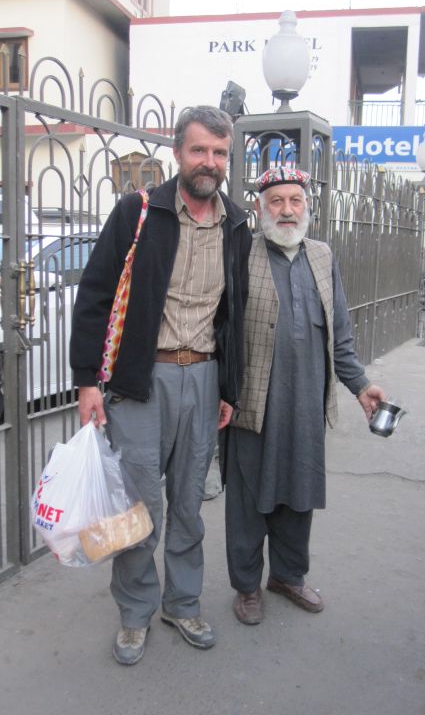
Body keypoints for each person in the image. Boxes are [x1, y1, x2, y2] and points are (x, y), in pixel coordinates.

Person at [70, 105, 251, 663]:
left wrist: (229, 388)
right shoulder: (140, 212)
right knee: (139, 508)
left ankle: (183, 601)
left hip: (203, 377)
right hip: (140, 383)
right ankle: (134, 612)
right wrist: (87, 381)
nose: (210, 162)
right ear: (177, 154)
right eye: (199, 150)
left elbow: (234, 312)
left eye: (219, 153)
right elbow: (96, 294)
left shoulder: (238, 224)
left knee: (191, 504)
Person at [223, 166, 386, 626]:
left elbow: (341, 333)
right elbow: (222, 330)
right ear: (260, 207)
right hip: (253, 404)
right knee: (249, 499)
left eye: (295, 200)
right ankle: (248, 586)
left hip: (305, 404)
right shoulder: (241, 253)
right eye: (277, 201)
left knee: (299, 491)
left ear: (306, 206)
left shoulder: (321, 255)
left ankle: (288, 576)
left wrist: (359, 385)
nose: (287, 210)